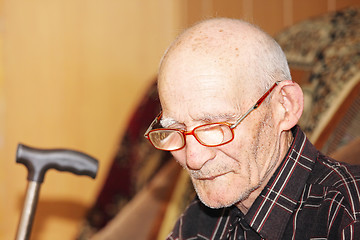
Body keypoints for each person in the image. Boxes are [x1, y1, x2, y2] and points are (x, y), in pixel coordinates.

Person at [144, 18, 360, 239]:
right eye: (177, 129)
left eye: (215, 126)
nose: (193, 159)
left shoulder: (349, 214)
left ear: (285, 106)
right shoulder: (200, 221)